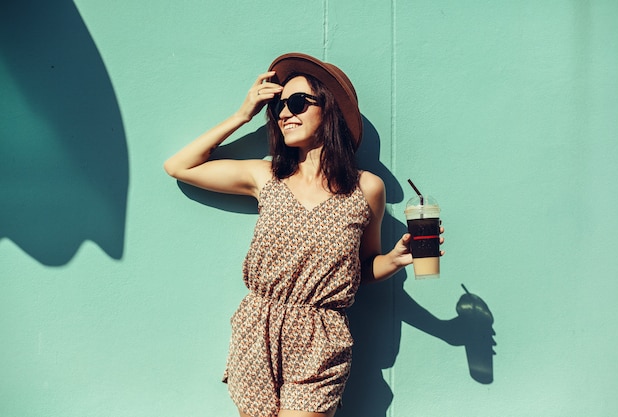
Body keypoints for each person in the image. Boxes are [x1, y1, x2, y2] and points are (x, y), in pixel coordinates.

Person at [164, 53, 444, 417]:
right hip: (258, 328)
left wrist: (393, 261)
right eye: (278, 107)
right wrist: (243, 113)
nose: (283, 113)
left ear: (329, 110)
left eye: (297, 102)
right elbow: (178, 166)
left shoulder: (367, 189)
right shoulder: (266, 177)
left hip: (321, 336)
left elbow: (361, 270)